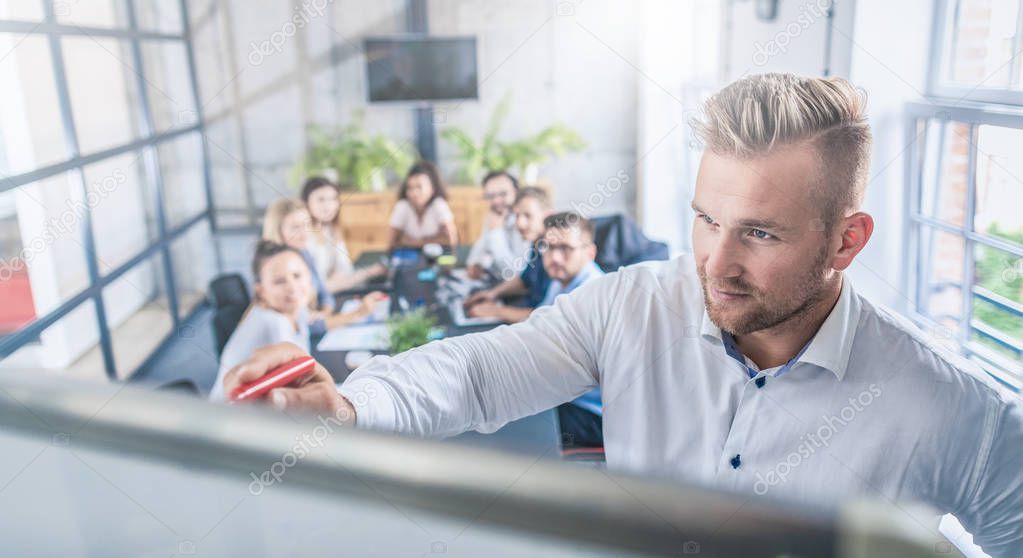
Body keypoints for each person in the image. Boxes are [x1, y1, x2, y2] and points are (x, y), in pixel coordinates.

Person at [224, 74, 1023, 556]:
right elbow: (478, 371)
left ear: (846, 241)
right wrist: (353, 402)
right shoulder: (633, 305)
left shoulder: (951, 409)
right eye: (706, 218)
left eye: (760, 233)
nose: (714, 261)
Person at [262, 198, 385, 334]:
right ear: (278, 231)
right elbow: (303, 328)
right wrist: (358, 313)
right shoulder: (276, 268)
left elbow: (324, 294)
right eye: (295, 227)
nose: (304, 233)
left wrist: (324, 313)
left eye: (306, 224)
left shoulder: (303, 252)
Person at [463, 187, 553, 323]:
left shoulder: (556, 256)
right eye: (517, 216)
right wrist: (492, 294)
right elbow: (524, 281)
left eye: (528, 216)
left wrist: (496, 311)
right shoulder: (537, 244)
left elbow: (547, 315)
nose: (520, 224)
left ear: (548, 216)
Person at [300, 176, 387, 292]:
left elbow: (345, 269)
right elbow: (318, 289)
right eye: (321, 199)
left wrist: (342, 279)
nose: (329, 205)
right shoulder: (305, 238)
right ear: (306, 203)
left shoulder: (331, 229)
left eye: (333, 199)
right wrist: (367, 273)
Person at [464, 171, 530, 280]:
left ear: (516, 192)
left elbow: (514, 273)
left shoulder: (524, 223)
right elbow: (477, 253)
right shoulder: (495, 216)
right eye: (490, 196)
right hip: (493, 282)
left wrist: (496, 232)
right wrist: (476, 264)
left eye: (503, 194)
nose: (496, 201)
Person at [389, 161, 458, 249]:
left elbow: (450, 240)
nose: (414, 193)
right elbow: (392, 242)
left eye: (419, 187)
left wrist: (414, 242)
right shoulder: (402, 206)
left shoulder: (438, 205)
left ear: (432, 189)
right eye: (410, 188)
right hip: (409, 258)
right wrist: (435, 239)